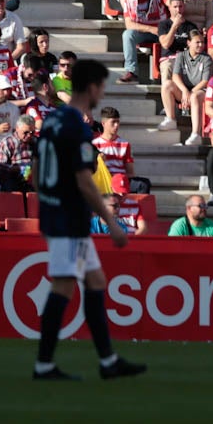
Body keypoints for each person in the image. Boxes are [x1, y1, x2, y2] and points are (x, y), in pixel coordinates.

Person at [31, 58, 147, 382]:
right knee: (64, 286)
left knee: (95, 281)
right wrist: (111, 222)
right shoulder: (77, 126)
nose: (102, 93)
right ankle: (44, 365)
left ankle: (108, 361)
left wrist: (49, 202)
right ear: (92, 87)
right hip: (68, 216)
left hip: (59, 212)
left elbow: (37, 173)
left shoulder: (52, 121)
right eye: (102, 86)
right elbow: (84, 179)